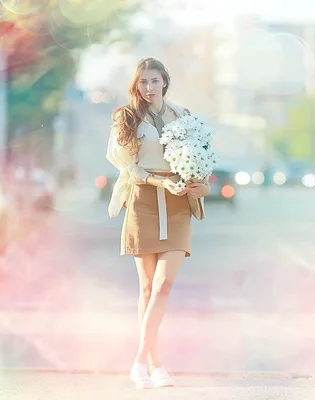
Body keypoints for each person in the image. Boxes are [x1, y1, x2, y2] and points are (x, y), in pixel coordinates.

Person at [105, 57, 210, 389]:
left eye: (154, 81)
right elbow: (127, 167)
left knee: (164, 285)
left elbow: (201, 161)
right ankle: (155, 364)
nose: (148, 88)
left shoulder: (184, 115)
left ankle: (139, 361)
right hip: (143, 200)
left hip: (178, 203)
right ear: (136, 85)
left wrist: (200, 185)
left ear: (165, 81)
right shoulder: (127, 117)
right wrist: (158, 181)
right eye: (142, 82)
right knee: (148, 288)